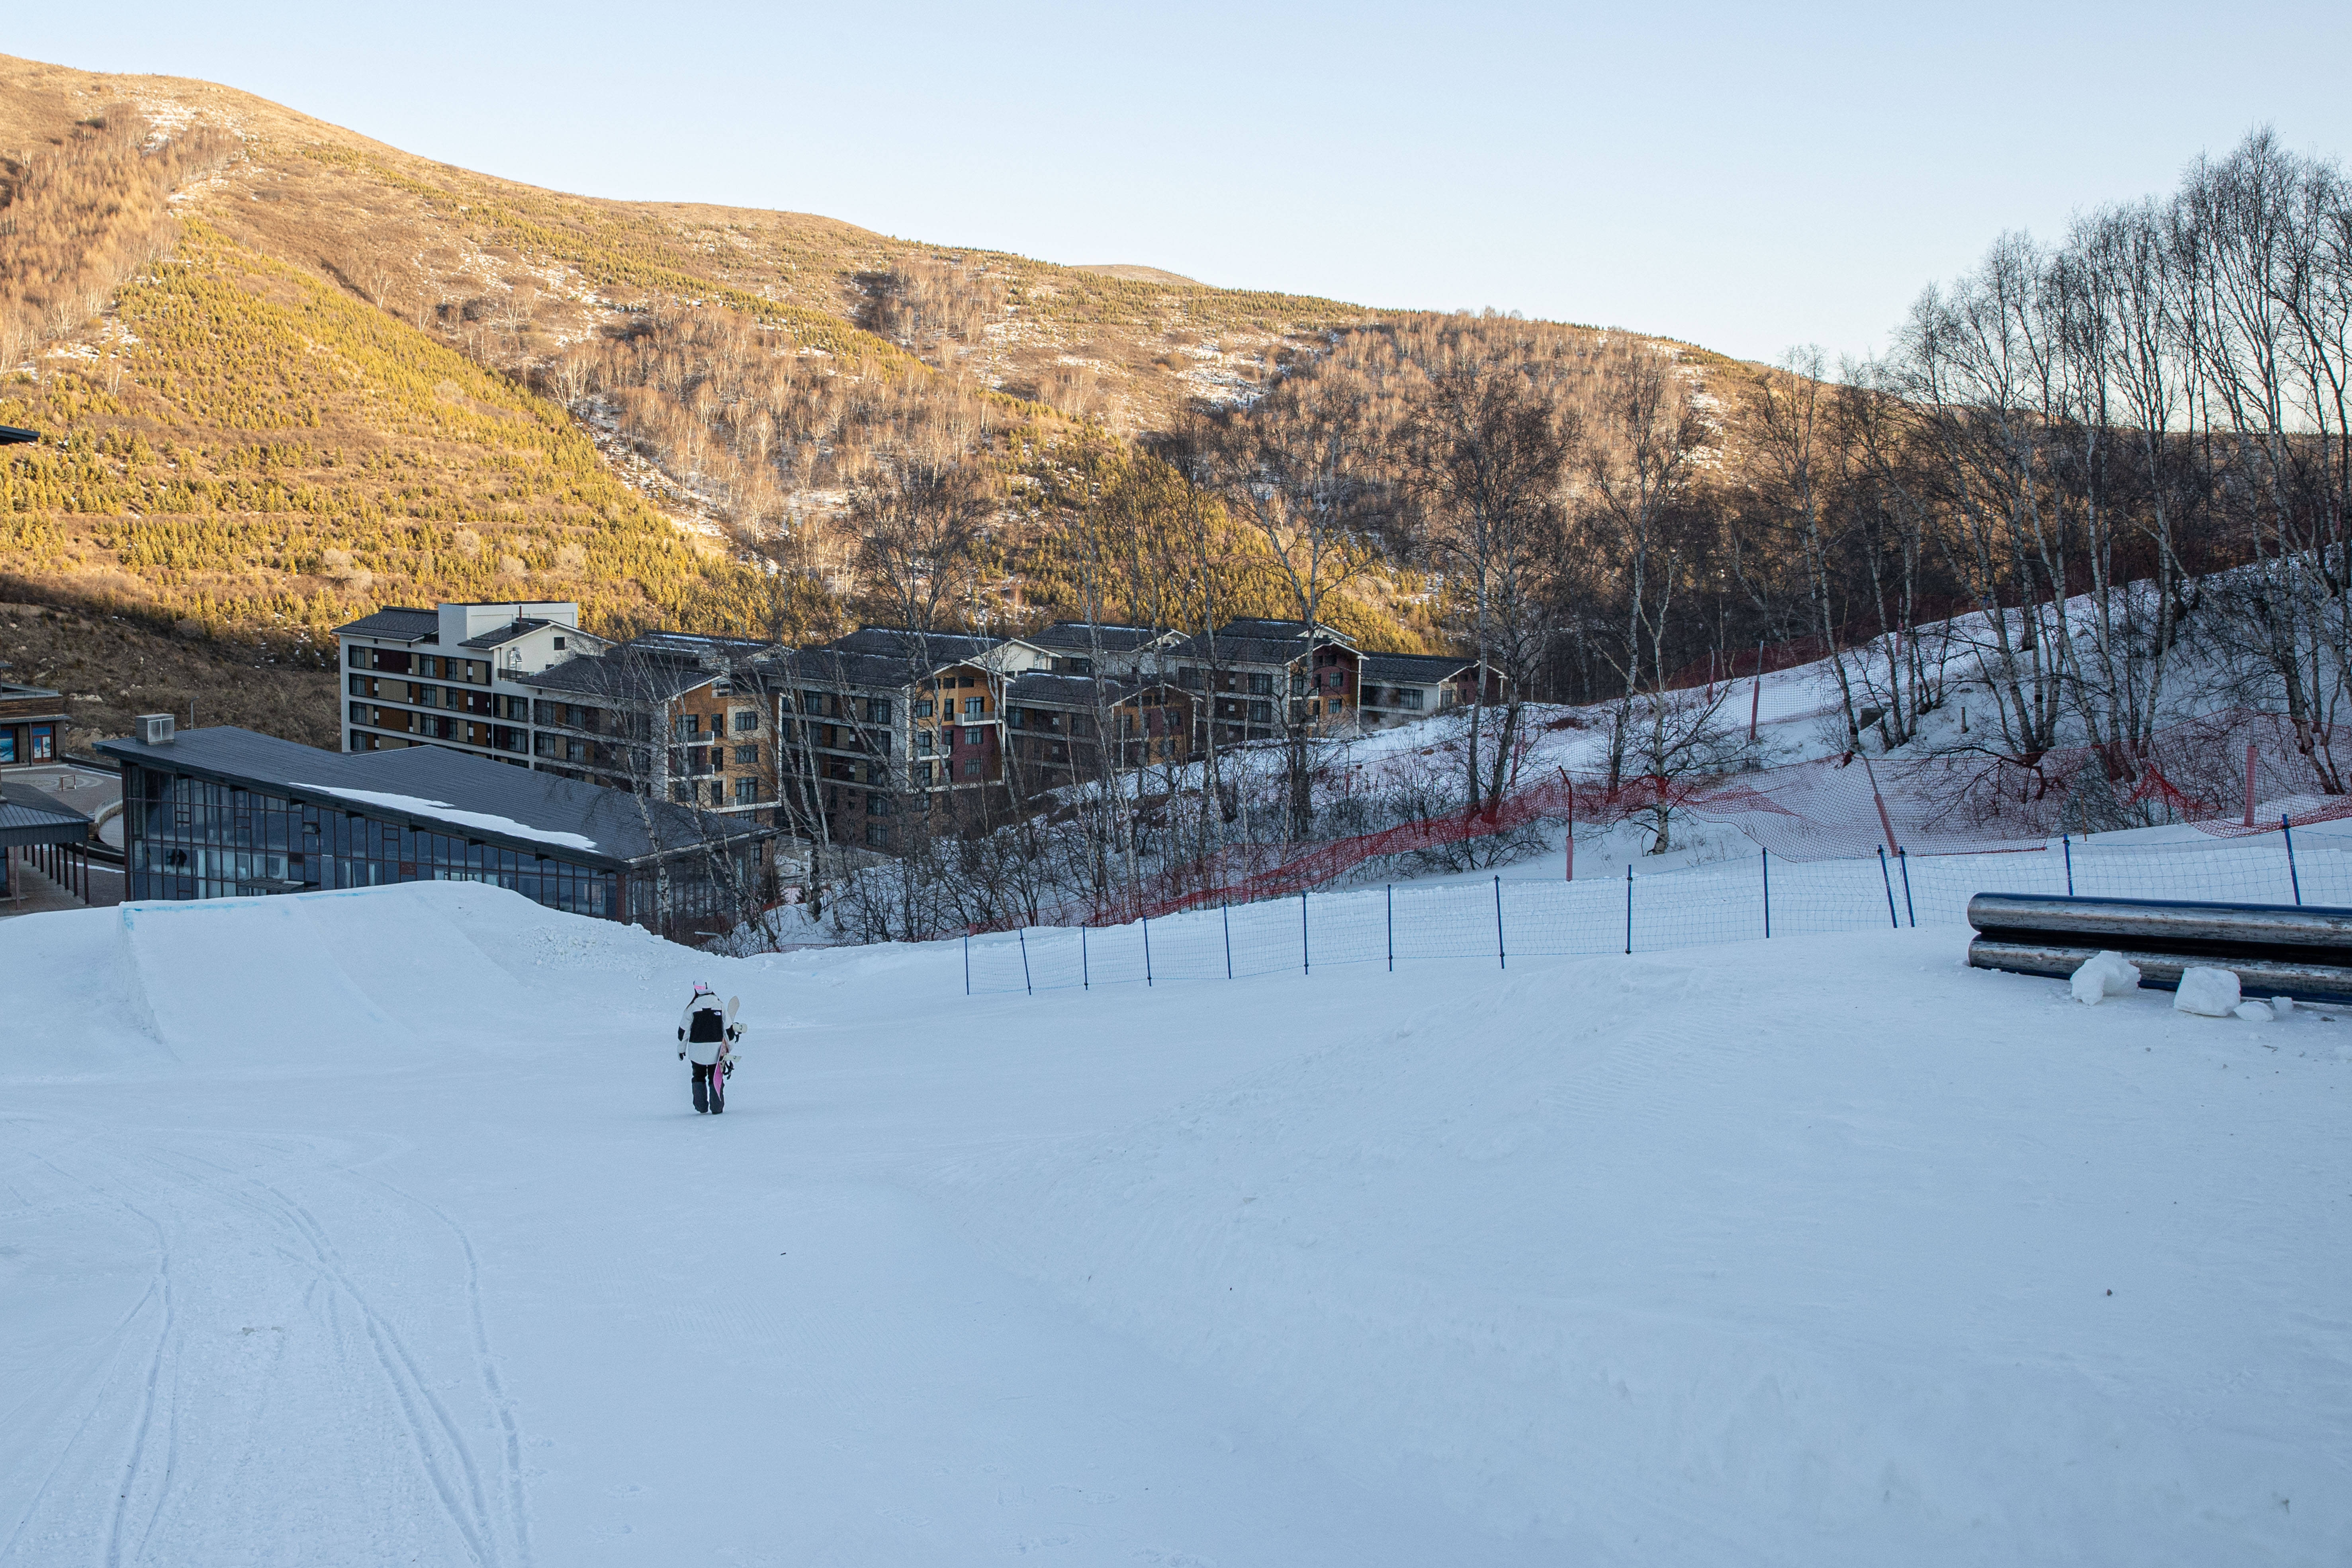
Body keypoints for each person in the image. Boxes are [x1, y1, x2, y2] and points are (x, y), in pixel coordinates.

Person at [677, 983, 739, 1114]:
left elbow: (683, 1031)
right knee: (714, 1077)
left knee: (698, 1076)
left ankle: (701, 1107)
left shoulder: (692, 1008)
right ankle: (717, 1107)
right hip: (716, 1051)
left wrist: (681, 1049)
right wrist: (730, 1046)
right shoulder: (720, 1006)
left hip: (696, 1051)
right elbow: (728, 1029)